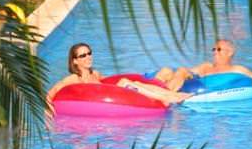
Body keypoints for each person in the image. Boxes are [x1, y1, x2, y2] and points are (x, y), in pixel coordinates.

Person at [46, 43, 191, 113]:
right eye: (83, 55)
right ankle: (171, 96)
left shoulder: (94, 74)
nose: (88, 57)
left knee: (129, 82)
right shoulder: (73, 78)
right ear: (75, 61)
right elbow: (51, 93)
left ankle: (169, 95)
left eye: (89, 53)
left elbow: (111, 82)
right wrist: (48, 110)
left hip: (118, 96)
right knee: (125, 83)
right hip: (105, 103)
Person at [154, 39, 252, 105]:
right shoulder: (206, 66)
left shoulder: (236, 69)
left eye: (218, 49)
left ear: (230, 53)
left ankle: (162, 97)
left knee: (181, 70)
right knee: (167, 70)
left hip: (201, 90)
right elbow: (187, 73)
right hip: (190, 83)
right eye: (213, 49)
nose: (214, 52)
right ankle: (151, 91)